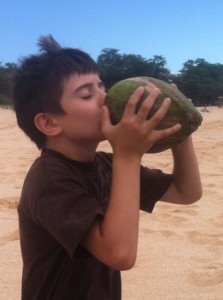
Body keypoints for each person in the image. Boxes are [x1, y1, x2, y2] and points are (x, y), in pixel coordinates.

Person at [13, 35, 202, 300]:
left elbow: (186, 192)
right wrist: (127, 155)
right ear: (49, 123)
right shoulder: (50, 180)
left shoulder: (104, 165)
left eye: (102, 86)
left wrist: (180, 127)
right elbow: (120, 255)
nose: (104, 98)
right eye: (87, 94)